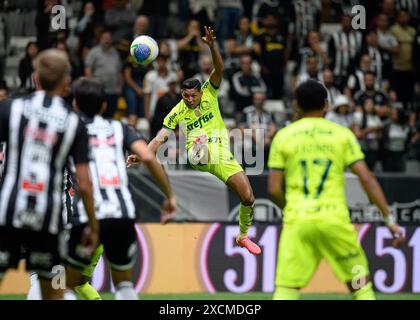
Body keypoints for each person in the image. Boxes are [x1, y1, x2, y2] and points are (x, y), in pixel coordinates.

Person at [128, 27, 261, 255]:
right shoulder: (177, 112)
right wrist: (143, 155)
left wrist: (211, 46)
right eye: (185, 96)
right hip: (197, 152)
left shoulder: (210, 91)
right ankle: (201, 146)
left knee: (248, 197)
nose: (189, 100)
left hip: (221, 153)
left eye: (193, 96)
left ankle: (242, 236)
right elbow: (160, 137)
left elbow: (219, 68)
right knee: (201, 146)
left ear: (201, 92)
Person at [267, 80, 405, 300]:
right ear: (326, 105)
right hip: (335, 221)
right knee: (360, 285)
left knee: (287, 289)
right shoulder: (342, 135)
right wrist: (389, 220)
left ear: (297, 106)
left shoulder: (283, 137)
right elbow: (366, 178)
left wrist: (290, 208)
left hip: (298, 222)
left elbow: (273, 188)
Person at [64, 77, 177, 300]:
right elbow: (147, 156)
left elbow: (81, 181)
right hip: (122, 214)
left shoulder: (70, 130)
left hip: (89, 214)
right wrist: (170, 195)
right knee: (124, 284)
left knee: (69, 285)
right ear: (104, 105)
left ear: (75, 104)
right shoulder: (119, 128)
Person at [0, 49, 99, 300]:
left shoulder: (10, 109)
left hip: (8, 212)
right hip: (49, 220)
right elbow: (85, 185)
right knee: (51, 289)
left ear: (35, 78)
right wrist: (92, 226)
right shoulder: (74, 123)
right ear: (67, 84)